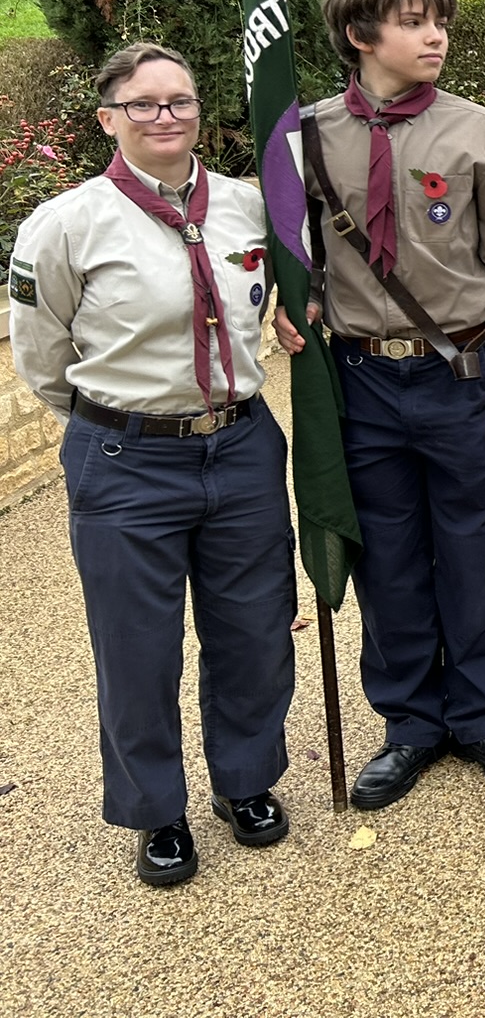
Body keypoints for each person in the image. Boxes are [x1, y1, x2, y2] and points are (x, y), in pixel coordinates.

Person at [12, 43, 293, 886]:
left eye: (180, 100)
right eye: (143, 104)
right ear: (109, 118)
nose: (165, 116)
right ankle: (155, 811)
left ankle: (244, 783)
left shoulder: (248, 206)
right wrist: (119, 423)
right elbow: (42, 356)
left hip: (241, 444)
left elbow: (273, 303)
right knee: (136, 648)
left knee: (251, 632)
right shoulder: (67, 223)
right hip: (127, 457)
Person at [276, 0, 485, 808]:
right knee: (386, 559)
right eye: (414, 21)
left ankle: (483, 716)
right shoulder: (306, 135)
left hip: (457, 376)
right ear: (361, 37)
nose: (436, 37)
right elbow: (297, 254)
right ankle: (409, 726)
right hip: (360, 381)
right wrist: (293, 303)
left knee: (468, 550)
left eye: (440, 22)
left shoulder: (477, 129)